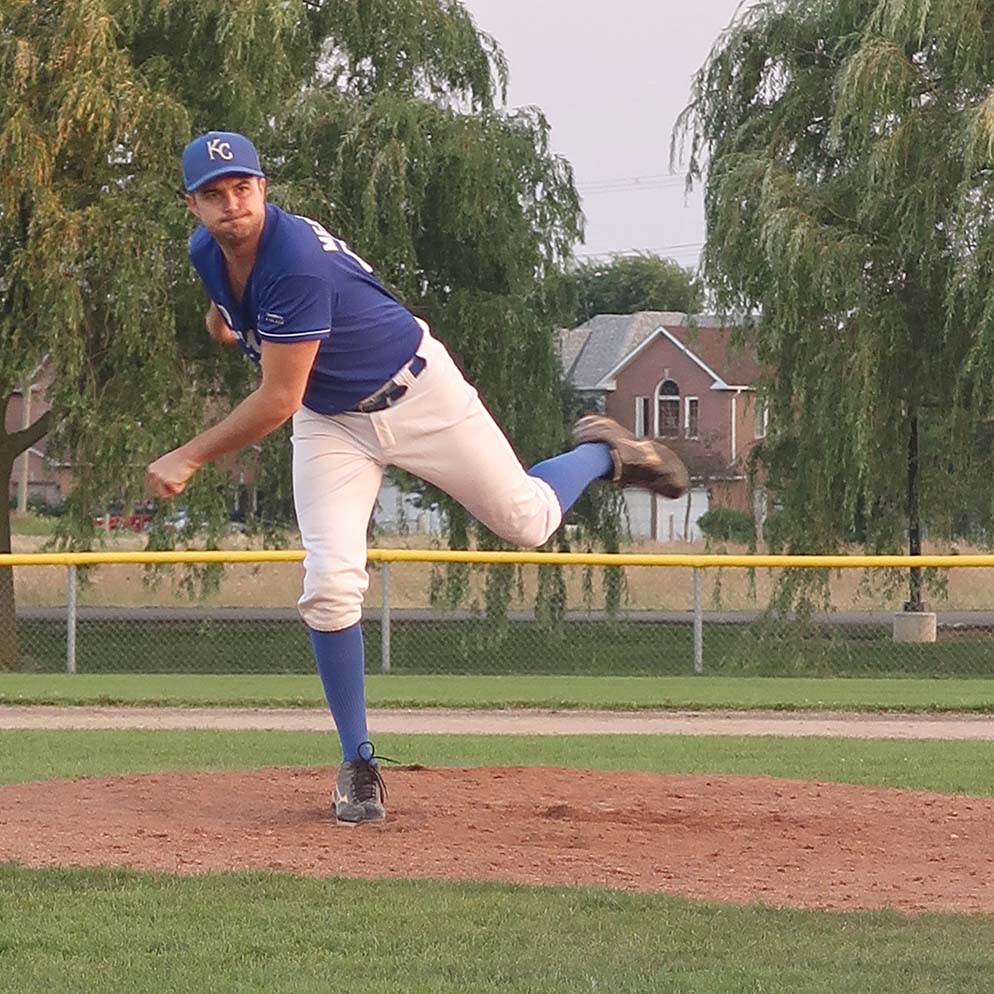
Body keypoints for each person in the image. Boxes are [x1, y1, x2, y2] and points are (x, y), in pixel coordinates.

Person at [146, 131, 690, 825]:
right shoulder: (208, 252)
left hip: (418, 393)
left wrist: (188, 455)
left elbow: (276, 400)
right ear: (191, 204)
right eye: (214, 195)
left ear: (264, 186)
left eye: (243, 187)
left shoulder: (295, 262)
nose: (232, 205)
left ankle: (604, 451)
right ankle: (359, 763)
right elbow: (238, 321)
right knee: (331, 584)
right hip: (332, 420)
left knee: (528, 522)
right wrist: (230, 320)